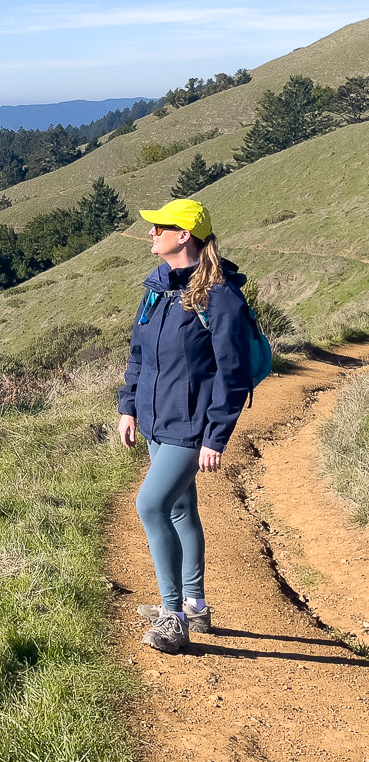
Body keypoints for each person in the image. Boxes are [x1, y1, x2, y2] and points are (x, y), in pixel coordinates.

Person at [117, 198, 254, 653]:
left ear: (184, 236)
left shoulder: (220, 297)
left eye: (161, 227)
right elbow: (139, 353)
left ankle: (172, 615)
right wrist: (129, 406)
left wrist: (215, 436)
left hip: (190, 425)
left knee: (150, 505)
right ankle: (195, 605)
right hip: (156, 419)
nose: (151, 233)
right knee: (178, 509)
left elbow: (232, 375)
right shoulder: (157, 288)